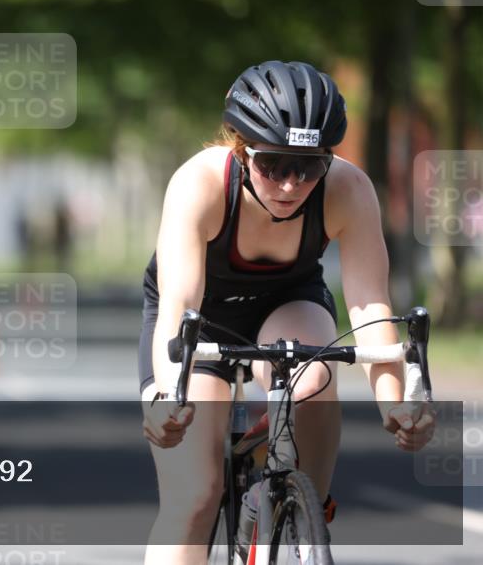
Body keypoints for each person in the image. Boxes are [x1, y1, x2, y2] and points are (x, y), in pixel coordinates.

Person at [138, 61, 435, 563]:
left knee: (314, 376)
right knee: (195, 498)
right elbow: (180, 303)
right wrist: (168, 395)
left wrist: (396, 405)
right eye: (273, 164)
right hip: (200, 319)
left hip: (288, 302)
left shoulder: (348, 189)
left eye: (309, 167)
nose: (291, 184)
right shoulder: (199, 183)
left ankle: (305, 512)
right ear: (241, 149)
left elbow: (370, 307)